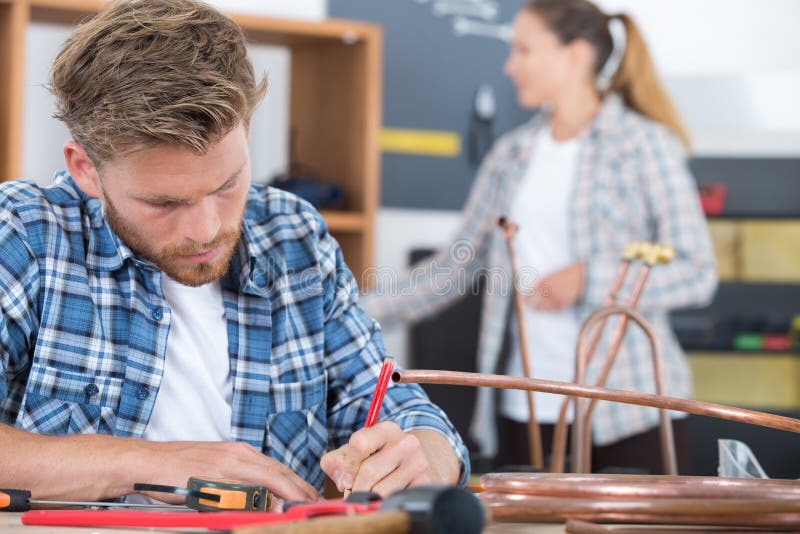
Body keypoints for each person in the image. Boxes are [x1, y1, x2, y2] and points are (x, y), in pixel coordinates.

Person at [0, 0, 468, 503]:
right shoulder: (25, 234)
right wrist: (151, 463)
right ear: (85, 168)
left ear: (245, 134)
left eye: (227, 185)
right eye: (163, 202)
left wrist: (427, 453)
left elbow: (388, 400)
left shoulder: (294, 236)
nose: (206, 229)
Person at [363, 0, 717, 473]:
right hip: (526, 406)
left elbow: (697, 270)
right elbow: (452, 267)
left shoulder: (645, 146)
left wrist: (589, 279)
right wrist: (349, 315)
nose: (509, 66)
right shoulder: (511, 154)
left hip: (630, 411)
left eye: (523, 51)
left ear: (575, 55)